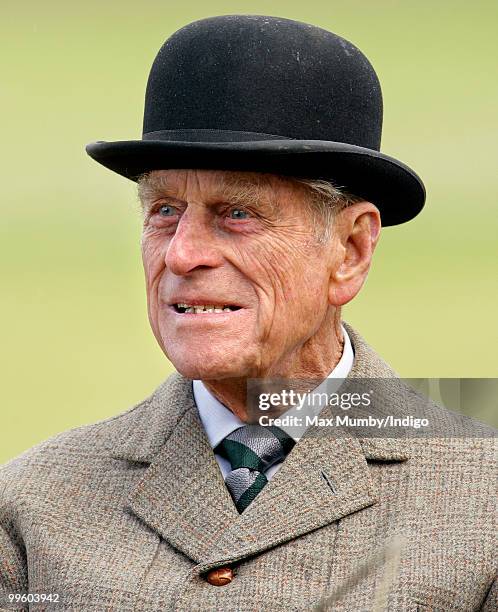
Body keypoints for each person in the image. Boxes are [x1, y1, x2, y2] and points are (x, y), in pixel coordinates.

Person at [1, 15, 496, 611]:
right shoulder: (32, 504)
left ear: (350, 249)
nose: (182, 253)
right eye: (163, 210)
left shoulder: (482, 504)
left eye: (237, 212)